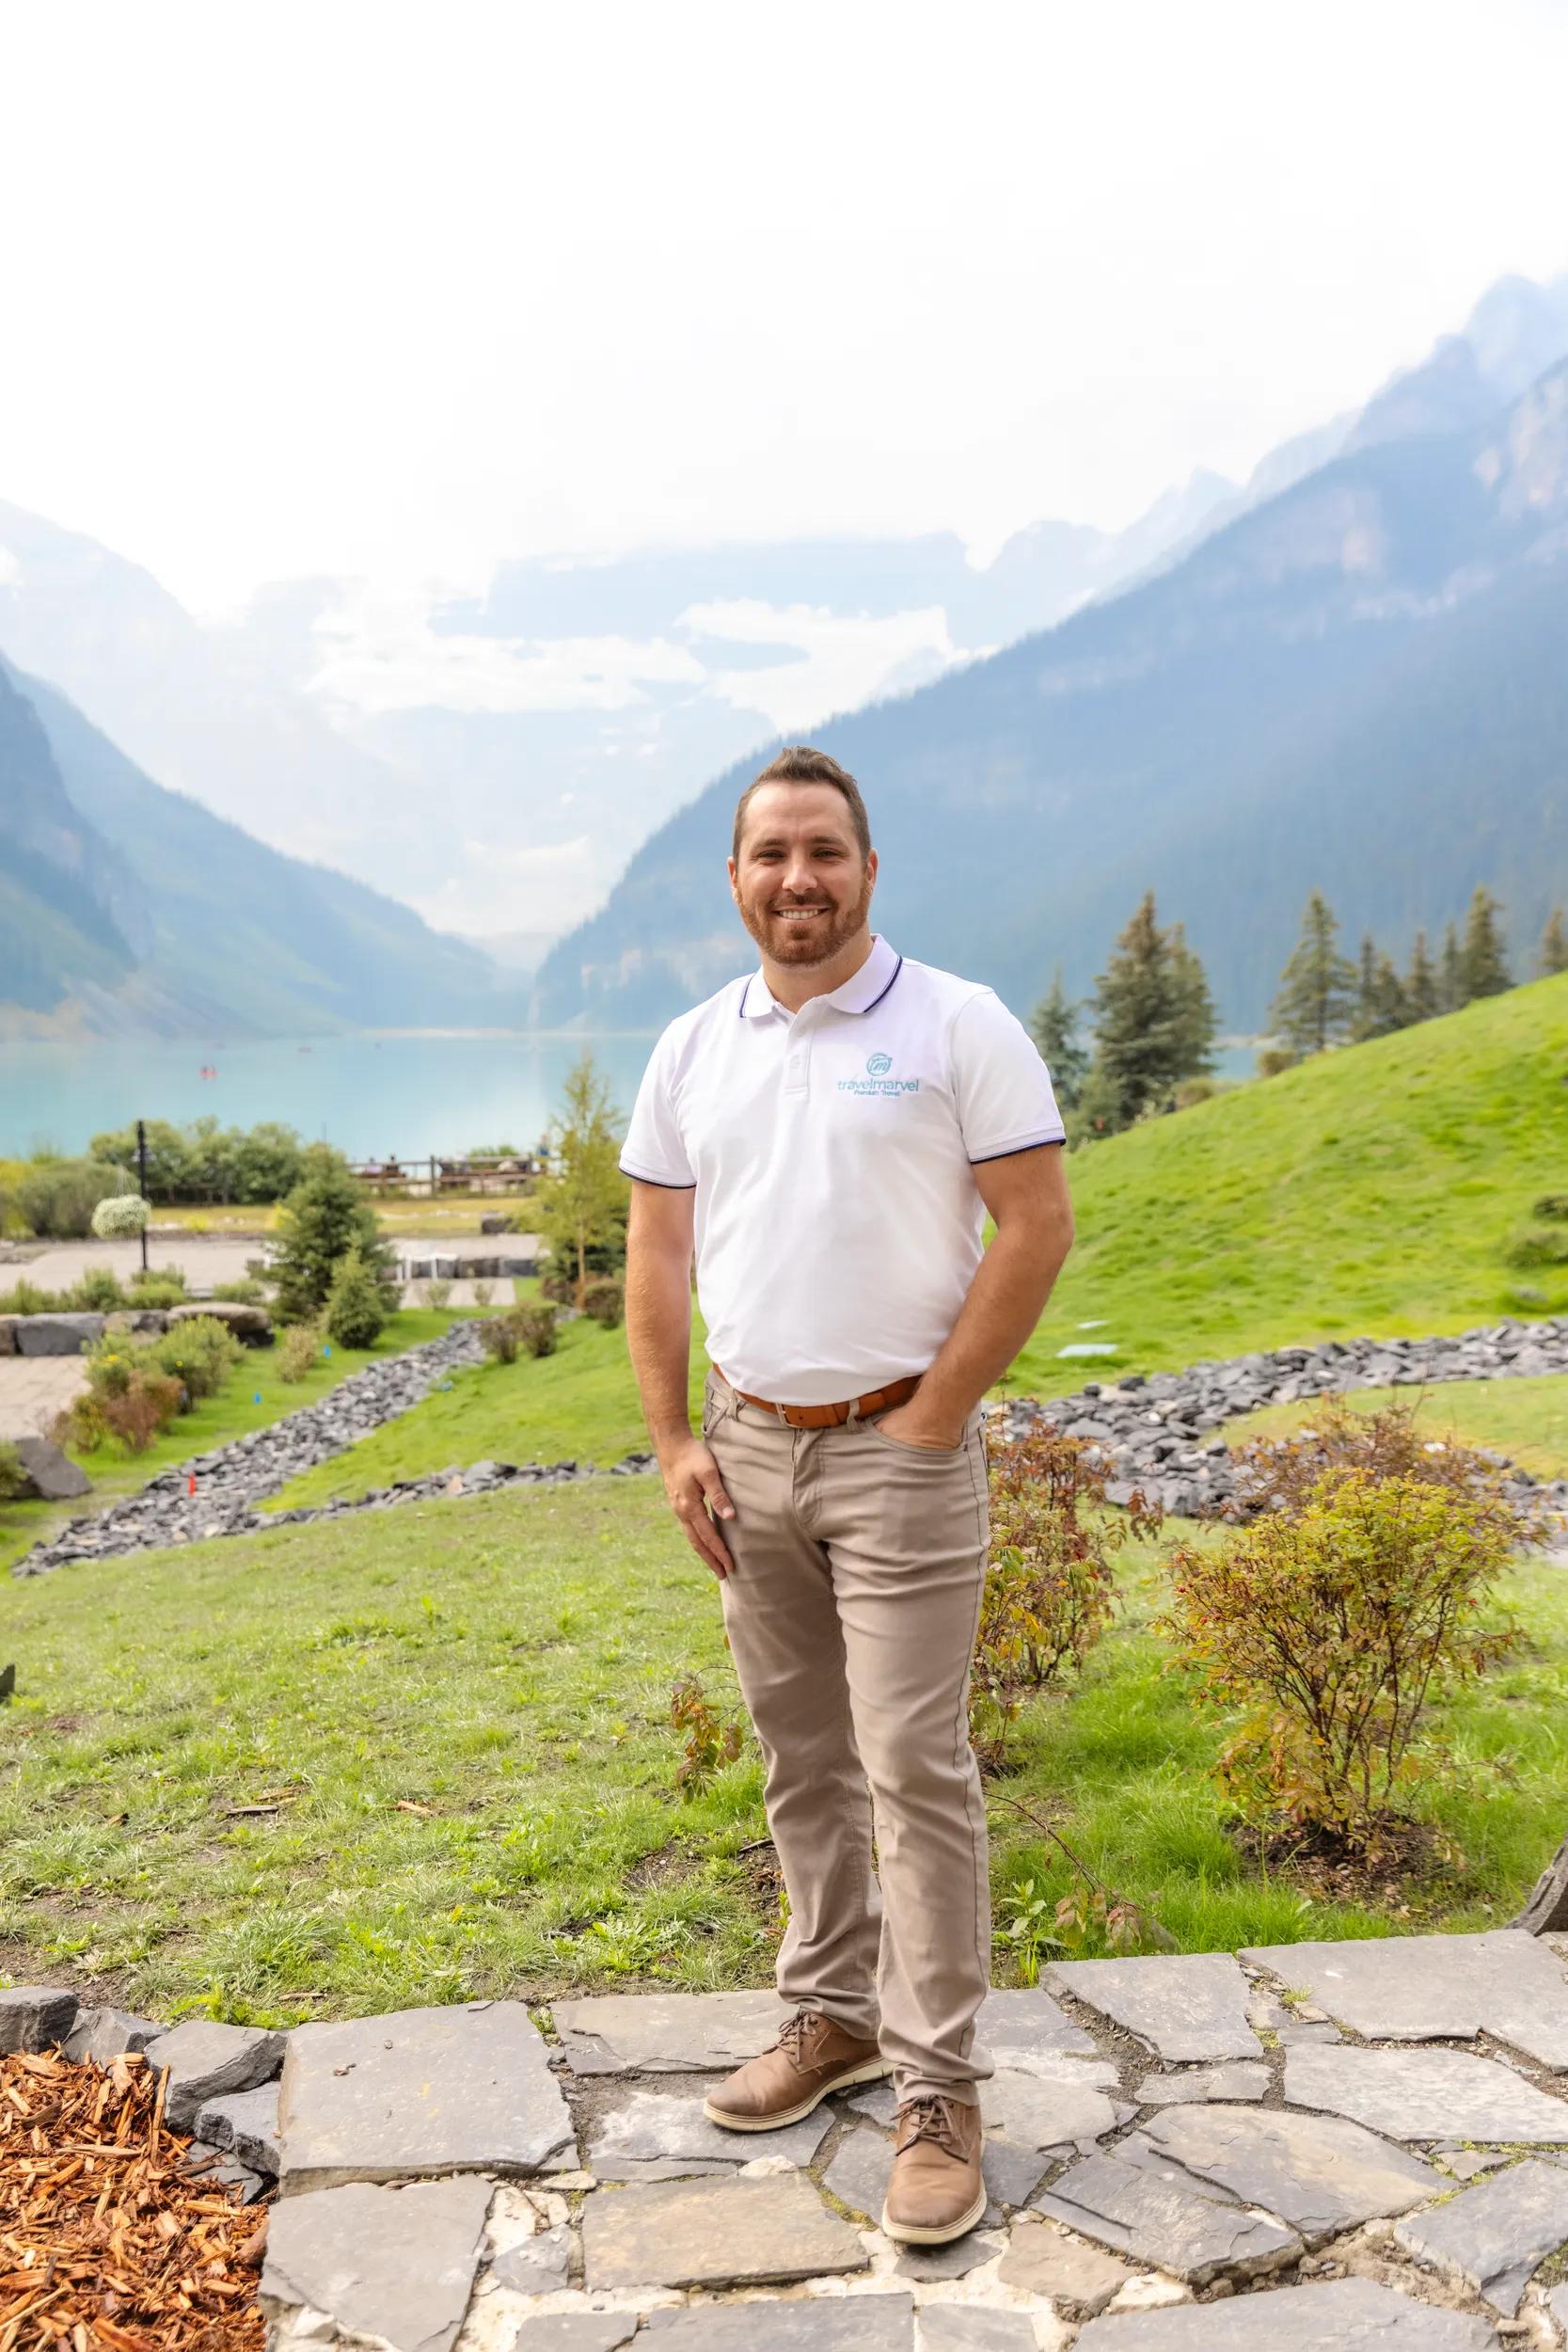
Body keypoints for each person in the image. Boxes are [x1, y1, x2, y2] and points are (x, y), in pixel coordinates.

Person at [621, 745, 1074, 2246]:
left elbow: (1034, 1228)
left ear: (868, 869)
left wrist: (937, 1418)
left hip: (904, 1455)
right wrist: (678, 1441)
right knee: (802, 1757)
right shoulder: (693, 1048)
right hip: (748, 1452)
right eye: (770, 856)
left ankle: (940, 2091)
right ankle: (830, 2021)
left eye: (824, 852)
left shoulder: (960, 1024)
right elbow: (660, 1265)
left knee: (913, 1770)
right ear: (737, 880)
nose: (797, 880)